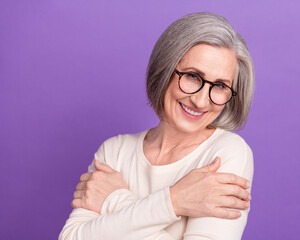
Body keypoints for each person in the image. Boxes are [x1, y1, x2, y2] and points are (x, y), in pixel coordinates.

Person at [59, 12, 255, 240]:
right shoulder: (115, 151)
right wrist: (175, 200)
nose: (201, 101)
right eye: (192, 76)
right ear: (164, 70)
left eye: (220, 85)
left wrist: (117, 199)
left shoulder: (226, 153)